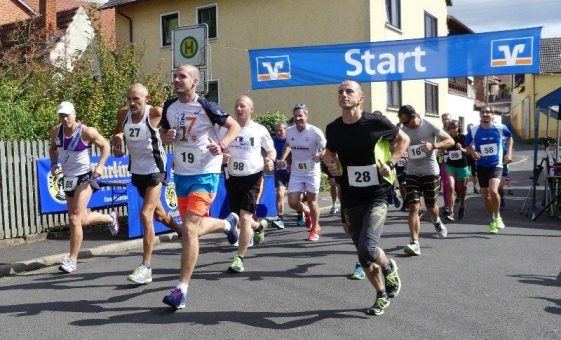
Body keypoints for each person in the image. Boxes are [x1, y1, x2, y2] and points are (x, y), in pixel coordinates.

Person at [159, 63, 241, 310]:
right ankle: (228, 224)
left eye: (182, 76)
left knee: (190, 228)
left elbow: (233, 126)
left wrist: (223, 144)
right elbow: (163, 133)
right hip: (182, 173)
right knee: (190, 227)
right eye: (175, 76)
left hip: (205, 172)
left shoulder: (207, 106)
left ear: (195, 82)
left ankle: (180, 289)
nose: (176, 80)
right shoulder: (169, 106)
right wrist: (167, 137)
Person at [324, 80, 408, 316]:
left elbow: (404, 141)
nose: (344, 94)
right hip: (350, 196)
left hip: (377, 195)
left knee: (368, 247)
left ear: (361, 98)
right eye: (340, 91)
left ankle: (389, 266)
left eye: (349, 91)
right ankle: (381, 294)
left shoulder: (376, 122)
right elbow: (330, 152)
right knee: (363, 254)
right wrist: (329, 161)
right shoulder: (334, 128)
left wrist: (391, 163)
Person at [112, 83, 183, 284]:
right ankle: (182, 233)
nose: (132, 103)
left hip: (155, 169)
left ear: (147, 98)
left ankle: (146, 267)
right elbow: (118, 131)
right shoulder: (123, 114)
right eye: (129, 99)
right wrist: (117, 142)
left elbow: (172, 132)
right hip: (137, 171)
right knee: (160, 215)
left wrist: (169, 136)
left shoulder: (155, 113)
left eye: (137, 99)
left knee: (146, 214)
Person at [49, 101, 119, 274]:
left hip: (85, 178)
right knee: (82, 219)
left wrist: (100, 166)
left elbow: (105, 146)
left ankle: (72, 260)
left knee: (74, 218)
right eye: (61, 115)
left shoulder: (86, 131)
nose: (65, 119)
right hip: (68, 178)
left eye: (67, 115)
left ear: (74, 114)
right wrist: (53, 163)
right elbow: (52, 148)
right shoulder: (55, 131)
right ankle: (110, 219)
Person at [222, 95, 275, 273]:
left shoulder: (259, 129)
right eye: (236, 106)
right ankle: (259, 226)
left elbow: (271, 149)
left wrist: (270, 159)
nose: (238, 109)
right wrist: (223, 156)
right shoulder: (228, 129)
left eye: (242, 106)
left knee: (244, 218)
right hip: (232, 177)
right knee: (239, 220)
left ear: (251, 110)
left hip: (252, 177)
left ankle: (239, 258)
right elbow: (220, 148)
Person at [398, 105, 454, 256]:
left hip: (430, 172)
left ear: (415, 116)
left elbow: (450, 141)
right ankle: (414, 242)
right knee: (414, 207)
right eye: (402, 123)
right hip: (412, 173)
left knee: (431, 206)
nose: (405, 125)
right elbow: (395, 146)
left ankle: (436, 221)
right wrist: (400, 152)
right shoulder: (403, 130)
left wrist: (434, 145)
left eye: (407, 122)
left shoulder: (430, 126)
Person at [277, 103, 326, 241]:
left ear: (306, 116)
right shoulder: (290, 131)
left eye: (300, 115)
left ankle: (315, 229)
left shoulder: (315, 131)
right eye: (295, 116)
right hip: (297, 170)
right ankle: (308, 212)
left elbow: (325, 147)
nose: (298, 118)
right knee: (292, 202)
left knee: (312, 201)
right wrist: (282, 159)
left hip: (312, 170)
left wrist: (321, 155)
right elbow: (288, 145)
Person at [464, 105, 513, 233]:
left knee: (493, 190)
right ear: (480, 114)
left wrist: (509, 154)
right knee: (486, 195)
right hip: (481, 166)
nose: (485, 114)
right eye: (483, 112)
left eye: (488, 112)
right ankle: (492, 219)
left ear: (492, 115)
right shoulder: (474, 130)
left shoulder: (501, 128)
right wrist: (473, 152)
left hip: (496, 165)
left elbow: (510, 138)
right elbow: (467, 146)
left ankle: (497, 217)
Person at [443, 120, 470, 220]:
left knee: (461, 190)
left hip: (462, 166)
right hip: (450, 165)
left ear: (458, 128)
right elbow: (442, 149)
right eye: (450, 128)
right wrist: (442, 150)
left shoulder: (463, 138)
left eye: (454, 127)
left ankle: (462, 205)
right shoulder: (447, 138)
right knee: (450, 187)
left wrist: (461, 149)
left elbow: (468, 151)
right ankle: (451, 212)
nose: (452, 130)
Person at [272, 121, 289, 229]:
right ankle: (280, 218)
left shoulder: (290, 140)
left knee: (295, 196)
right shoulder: (272, 141)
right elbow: (268, 152)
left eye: (280, 130)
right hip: (279, 171)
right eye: (276, 130)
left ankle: (300, 214)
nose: (278, 132)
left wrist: (291, 165)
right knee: (279, 193)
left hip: (292, 171)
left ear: (285, 130)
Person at [439, 113, 452, 217]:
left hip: (454, 159)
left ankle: (452, 199)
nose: (446, 120)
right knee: (445, 182)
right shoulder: (439, 131)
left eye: (447, 119)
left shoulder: (454, 130)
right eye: (444, 119)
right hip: (442, 158)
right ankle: (446, 204)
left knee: (453, 184)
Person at [466, 123, 480, 194]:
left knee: (475, 174)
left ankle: (475, 187)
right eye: (468, 128)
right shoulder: (465, 136)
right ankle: (464, 187)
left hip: (474, 157)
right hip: (467, 156)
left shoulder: (476, 136)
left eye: (471, 128)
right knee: (466, 173)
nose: (469, 130)